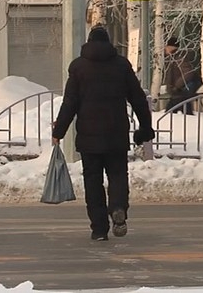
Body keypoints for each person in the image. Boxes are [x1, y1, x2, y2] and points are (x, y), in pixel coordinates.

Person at [51, 25, 153, 241]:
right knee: (117, 174)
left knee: (92, 180)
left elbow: (70, 103)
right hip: (116, 133)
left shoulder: (78, 67)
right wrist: (145, 127)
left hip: (89, 136)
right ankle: (118, 208)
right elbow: (138, 99)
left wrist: (59, 130)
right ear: (108, 43)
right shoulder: (121, 66)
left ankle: (99, 229)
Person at [164, 37, 201, 115]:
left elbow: (188, 73)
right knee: (185, 112)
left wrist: (177, 86)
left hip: (179, 92)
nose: (165, 48)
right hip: (179, 92)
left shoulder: (179, 58)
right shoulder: (174, 57)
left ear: (171, 47)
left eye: (166, 46)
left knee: (169, 113)